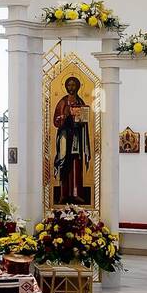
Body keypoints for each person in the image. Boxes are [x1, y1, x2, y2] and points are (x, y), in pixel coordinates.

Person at [53, 76, 91, 204]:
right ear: (66, 86)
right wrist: (65, 115)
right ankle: (63, 194)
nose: (71, 87)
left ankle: (76, 193)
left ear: (78, 86)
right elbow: (56, 120)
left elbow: (84, 121)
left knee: (76, 163)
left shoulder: (80, 102)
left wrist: (81, 118)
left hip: (76, 137)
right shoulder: (62, 102)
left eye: (74, 85)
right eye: (69, 85)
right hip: (65, 135)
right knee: (64, 163)